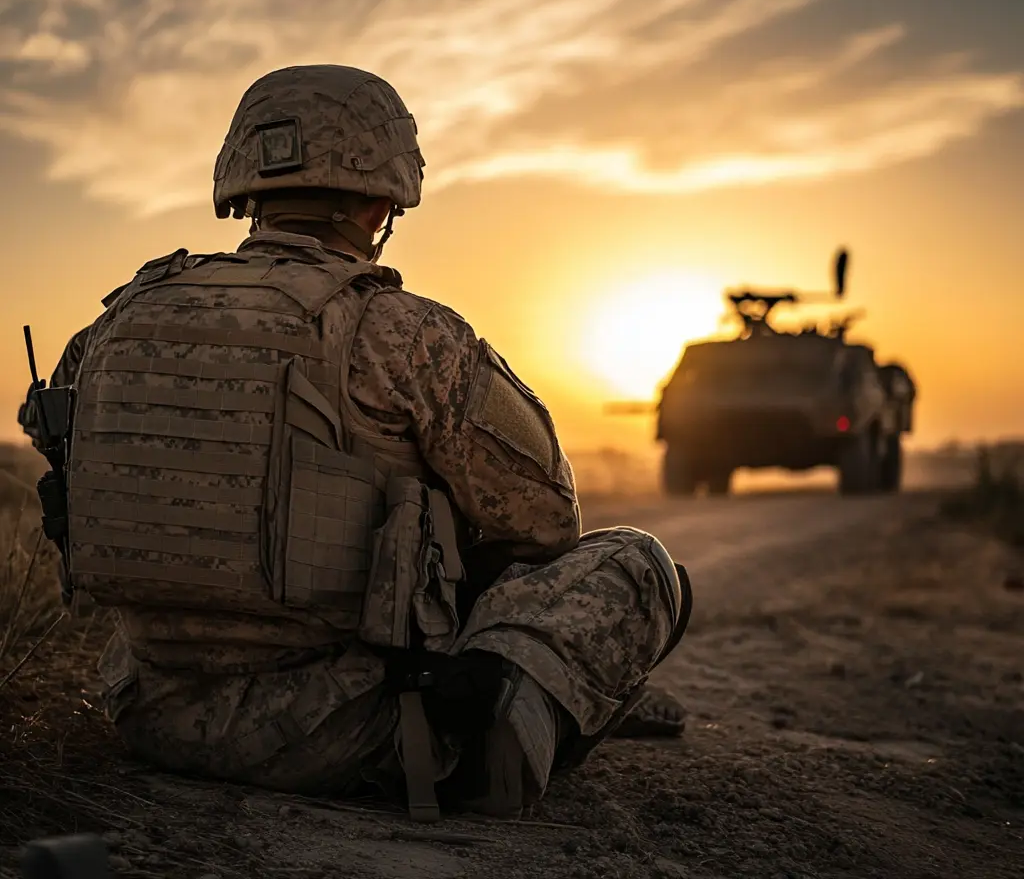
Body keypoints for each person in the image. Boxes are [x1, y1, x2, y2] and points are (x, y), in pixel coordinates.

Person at [19, 64, 691, 822]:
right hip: (351, 735)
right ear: (383, 201)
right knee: (637, 561)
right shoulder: (406, 332)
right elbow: (542, 522)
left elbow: (60, 441)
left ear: (243, 187)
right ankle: (505, 721)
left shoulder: (116, 321)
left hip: (147, 716)